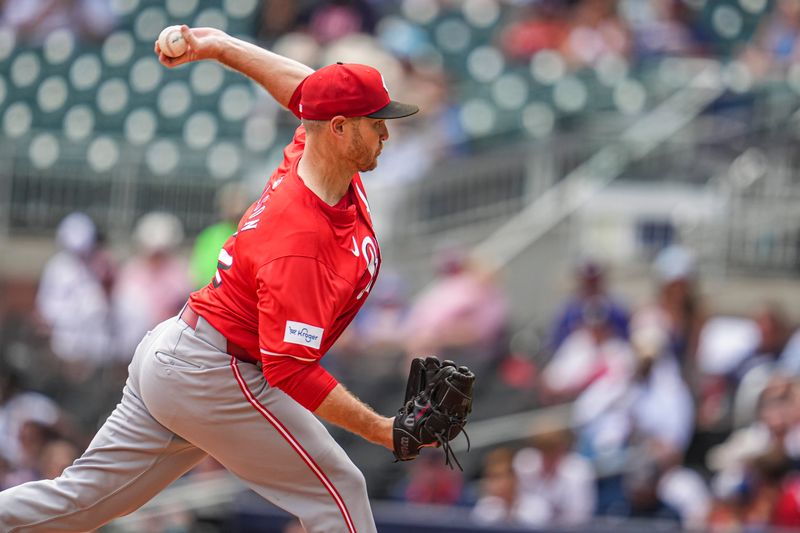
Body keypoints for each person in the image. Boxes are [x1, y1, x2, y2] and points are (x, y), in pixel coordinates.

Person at [0, 25, 419, 532]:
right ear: (338, 129)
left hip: (184, 355)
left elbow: (306, 89)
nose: (385, 133)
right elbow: (291, 371)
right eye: (375, 123)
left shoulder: (311, 152)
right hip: (218, 373)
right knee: (340, 494)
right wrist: (383, 430)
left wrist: (218, 45)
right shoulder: (299, 239)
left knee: (80, 505)